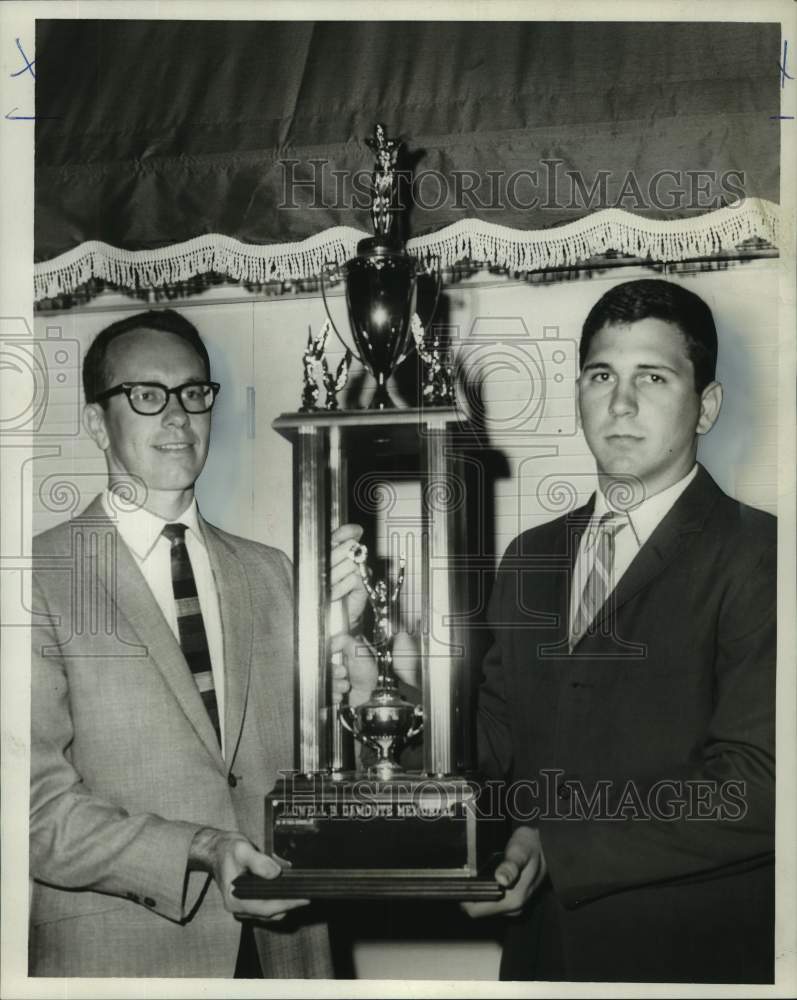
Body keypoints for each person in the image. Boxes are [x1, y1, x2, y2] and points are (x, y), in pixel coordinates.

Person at [29, 309, 373, 978]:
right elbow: (32, 812)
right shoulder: (37, 580)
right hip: (124, 959)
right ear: (98, 422)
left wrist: (355, 663)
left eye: (193, 393)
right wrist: (202, 848)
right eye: (146, 395)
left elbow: (329, 776)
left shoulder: (272, 570)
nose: (177, 416)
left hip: (287, 952)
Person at [465, 279, 776, 983]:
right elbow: (492, 742)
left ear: (707, 406)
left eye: (653, 378)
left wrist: (559, 848)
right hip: (541, 954)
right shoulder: (529, 559)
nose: (621, 403)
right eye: (600, 376)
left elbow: (759, 786)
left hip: (690, 960)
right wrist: (379, 696)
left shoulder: (759, 556)